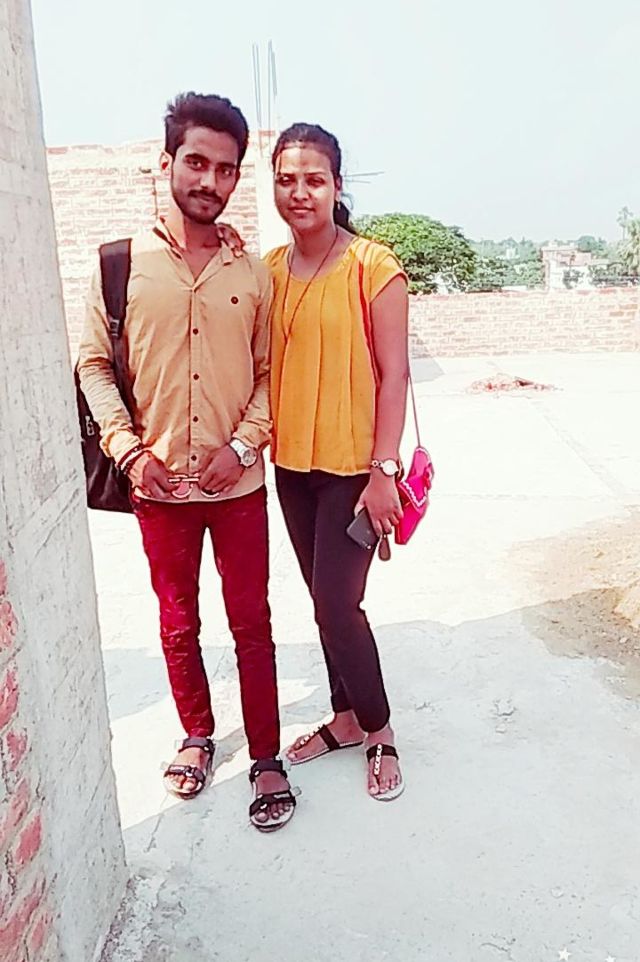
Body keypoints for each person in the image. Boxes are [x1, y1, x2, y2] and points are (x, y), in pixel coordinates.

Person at [77, 92, 296, 832]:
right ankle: (198, 735)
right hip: (159, 487)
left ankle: (265, 754)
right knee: (177, 622)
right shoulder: (119, 265)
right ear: (166, 162)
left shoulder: (253, 273)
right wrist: (128, 452)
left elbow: (270, 374)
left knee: (251, 622)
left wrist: (243, 447)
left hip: (239, 488)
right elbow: (94, 365)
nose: (210, 180)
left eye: (226, 169)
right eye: (197, 162)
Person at [264, 123, 409, 801]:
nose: (299, 192)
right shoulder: (267, 270)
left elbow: (395, 374)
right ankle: (344, 717)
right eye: (286, 179)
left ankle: (378, 729)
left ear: (337, 186)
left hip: (355, 469)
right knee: (322, 603)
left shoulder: (373, 266)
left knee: (337, 604)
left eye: (313, 179)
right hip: (291, 468)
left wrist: (385, 470)